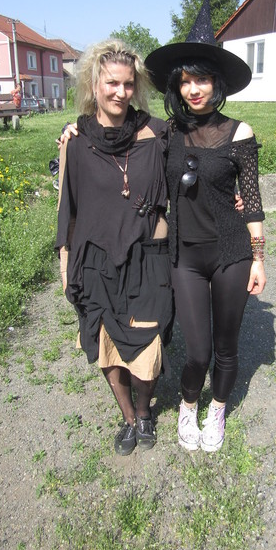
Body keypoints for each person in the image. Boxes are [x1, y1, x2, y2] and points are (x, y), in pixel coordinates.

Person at [144, 0, 266, 453]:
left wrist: (258, 259)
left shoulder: (239, 132)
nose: (194, 89)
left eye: (202, 79)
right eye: (186, 81)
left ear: (217, 83)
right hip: (186, 258)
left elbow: (252, 200)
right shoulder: (168, 132)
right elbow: (121, 134)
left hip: (231, 253)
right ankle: (188, 405)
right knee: (197, 351)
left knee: (226, 347)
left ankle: (217, 409)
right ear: (177, 86)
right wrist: (74, 129)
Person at [55, 40, 174, 456]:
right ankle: (128, 417)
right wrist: (66, 266)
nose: (120, 92)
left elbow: (197, 164)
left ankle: (144, 411)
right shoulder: (75, 140)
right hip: (95, 262)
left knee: (149, 345)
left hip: (148, 260)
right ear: (94, 84)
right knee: (107, 349)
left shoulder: (157, 134)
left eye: (127, 84)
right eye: (111, 83)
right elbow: (67, 210)